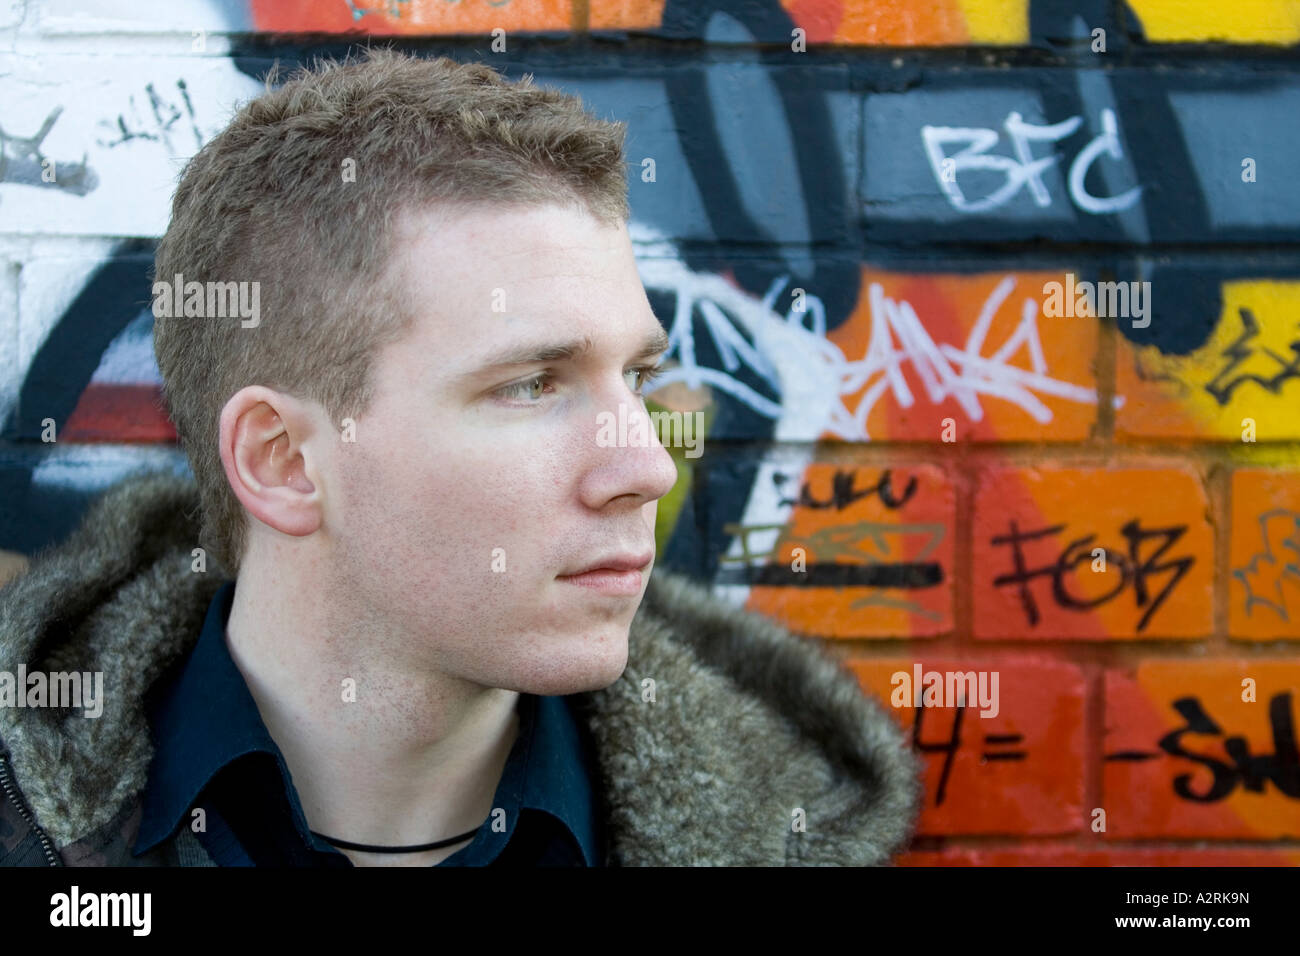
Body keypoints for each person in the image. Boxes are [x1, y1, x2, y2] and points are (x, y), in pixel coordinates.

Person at [0, 50, 920, 867]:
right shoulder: (27, 817)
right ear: (283, 462)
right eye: (531, 385)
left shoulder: (784, 834)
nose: (647, 468)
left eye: (637, 376)